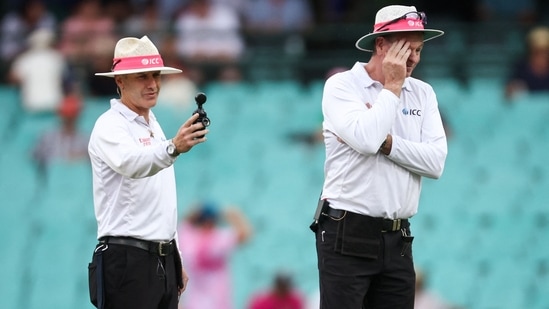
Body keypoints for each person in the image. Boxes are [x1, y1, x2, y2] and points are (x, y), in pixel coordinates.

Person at [312, 5, 448, 309]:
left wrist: (389, 145)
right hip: (346, 230)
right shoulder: (342, 85)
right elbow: (367, 139)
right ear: (381, 44)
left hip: (398, 238)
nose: (413, 58)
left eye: (418, 49)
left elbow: (435, 162)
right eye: (405, 49)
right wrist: (394, 86)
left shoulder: (423, 93)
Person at [88, 35, 209, 309]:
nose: (153, 84)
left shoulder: (151, 124)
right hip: (127, 258)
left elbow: (161, 199)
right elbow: (131, 164)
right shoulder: (109, 125)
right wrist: (173, 148)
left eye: (156, 75)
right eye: (142, 77)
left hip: (160, 259)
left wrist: (175, 256)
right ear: (120, 81)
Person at [177, 202, 252, 309]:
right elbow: (245, 234)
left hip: (194, 303)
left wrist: (195, 212)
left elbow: (184, 224)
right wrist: (232, 214)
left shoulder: (189, 239)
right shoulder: (219, 239)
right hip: (219, 303)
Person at [8, 28, 68, 114]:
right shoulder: (57, 57)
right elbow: (65, 79)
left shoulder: (23, 59)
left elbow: (13, 79)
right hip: (55, 105)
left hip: (30, 105)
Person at [32, 94, 89, 176]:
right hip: (52, 179)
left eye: (71, 117)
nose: (68, 120)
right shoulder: (47, 138)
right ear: (61, 116)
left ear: (77, 117)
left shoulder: (86, 140)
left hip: (78, 180)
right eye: (66, 116)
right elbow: (34, 159)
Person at [505, 26, 549, 100]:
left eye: (545, 51)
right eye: (537, 51)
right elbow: (508, 90)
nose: (542, 56)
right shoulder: (521, 66)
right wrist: (513, 88)